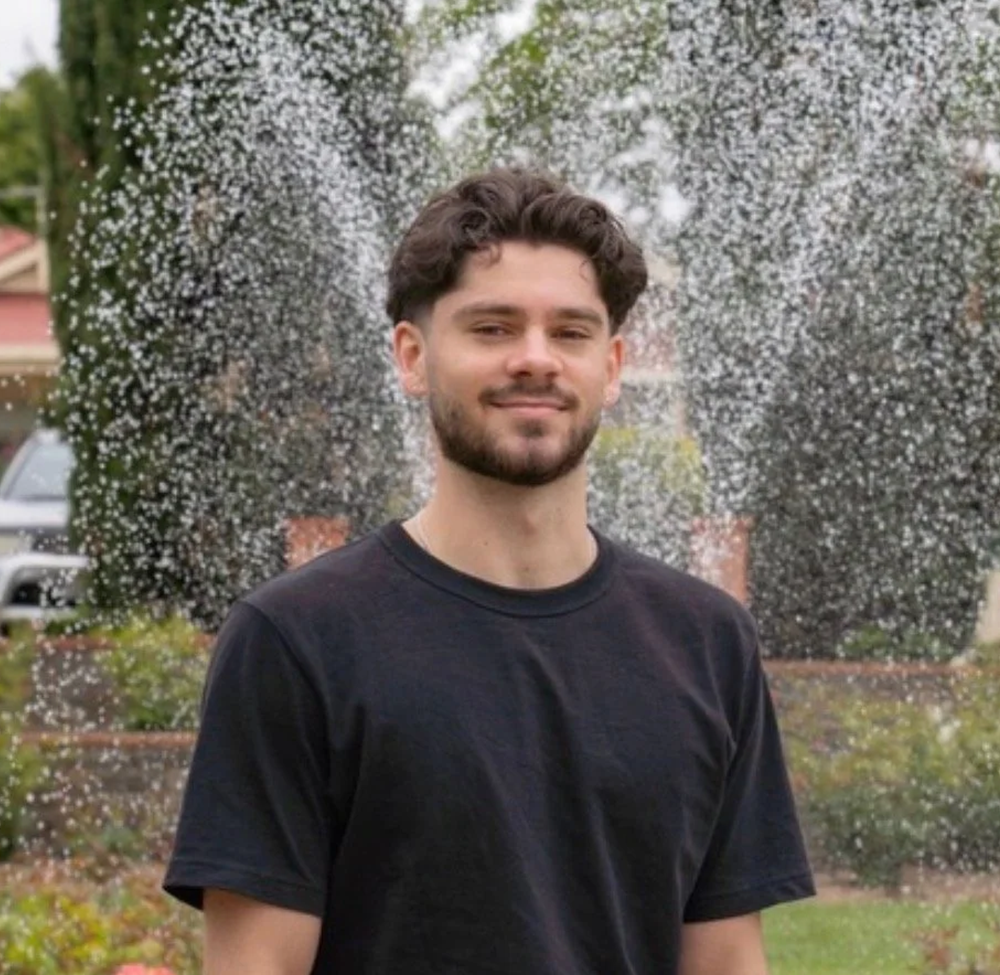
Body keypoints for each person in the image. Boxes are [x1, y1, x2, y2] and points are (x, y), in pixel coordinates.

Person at [163, 166, 815, 975]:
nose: (536, 360)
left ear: (610, 368)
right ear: (412, 356)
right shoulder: (297, 641)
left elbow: (723, 961)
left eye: (570, 333)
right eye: (493, 328)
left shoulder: (707, 642)